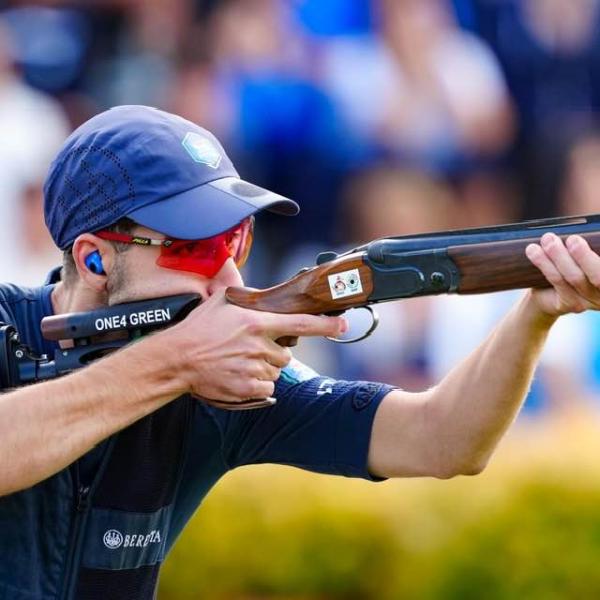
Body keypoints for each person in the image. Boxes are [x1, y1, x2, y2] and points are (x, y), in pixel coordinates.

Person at [0, 105, 599, 600]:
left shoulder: (223, 380)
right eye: (194, 250)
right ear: (94, 260)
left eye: (236, 240)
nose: (230, 274)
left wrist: (535, 311)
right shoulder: (16, 322)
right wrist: (175, 362)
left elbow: (442, 440)